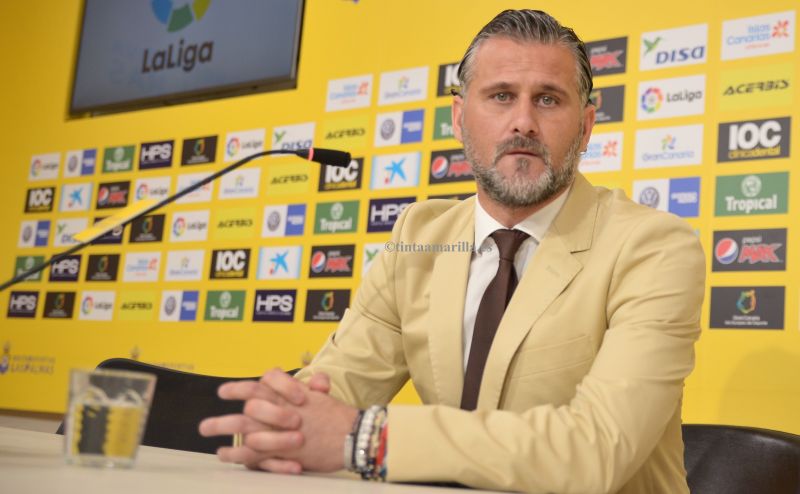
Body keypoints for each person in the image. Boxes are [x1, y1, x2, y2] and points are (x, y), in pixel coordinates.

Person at [199, 9, 705, 493]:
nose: (523, 122)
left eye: (548, 99)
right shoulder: (419, 235)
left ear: (587, 126)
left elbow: (597, 449)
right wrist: (279, 425)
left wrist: (368, 439)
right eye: (501, 96)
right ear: (459, 118)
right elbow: (336, 388)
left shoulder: (653, 248)